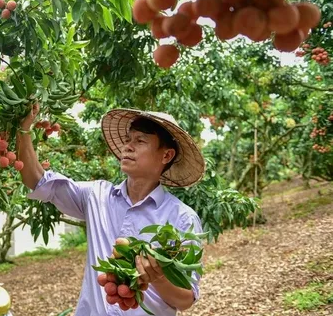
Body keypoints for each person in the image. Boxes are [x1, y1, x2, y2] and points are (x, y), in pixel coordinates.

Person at [16, 104, 206, 316]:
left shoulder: (182, 219)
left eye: (140, 141)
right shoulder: (96, 196)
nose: (128, 147)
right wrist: (23, 130)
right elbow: (37, 181)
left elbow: (186, 299)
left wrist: (158, 278)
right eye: (128, 140)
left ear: (166, 155)